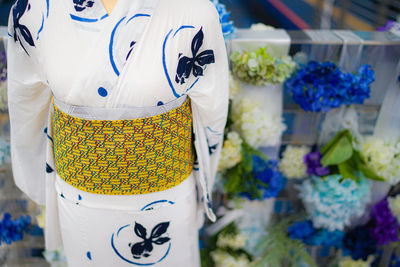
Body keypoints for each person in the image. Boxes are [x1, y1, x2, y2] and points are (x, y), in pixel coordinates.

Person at [7, 0, 228, 265]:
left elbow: (213, 109)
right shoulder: (36, 8)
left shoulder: (193, 10)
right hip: (80, 197)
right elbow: (24, 96)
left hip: (164, 198)